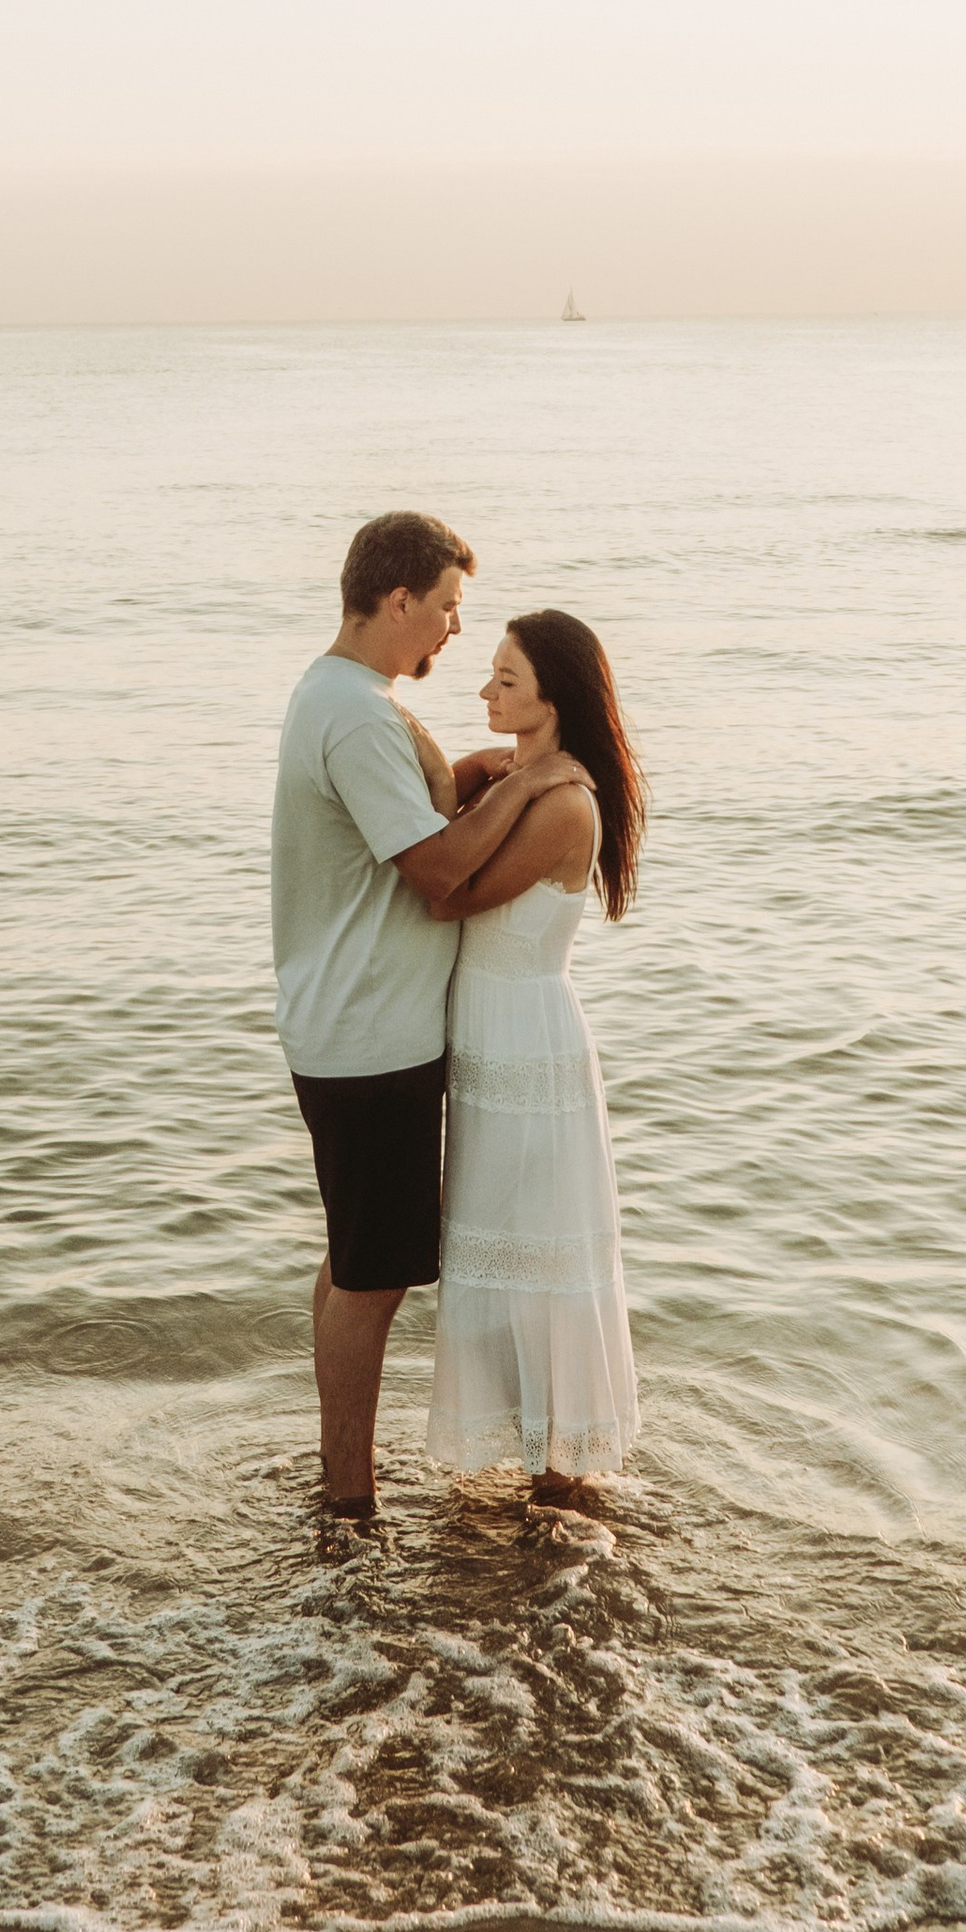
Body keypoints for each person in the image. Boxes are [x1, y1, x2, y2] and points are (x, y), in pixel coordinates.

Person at [272, 513, 588, 1525]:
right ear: (399, 599)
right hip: (371, 1035)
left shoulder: (339, 697)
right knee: (372, 1279)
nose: (454, 632)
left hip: (354, 1025)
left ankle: (339, 1486)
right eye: (448, 608)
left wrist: (463, 779)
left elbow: (394, 826)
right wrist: (528, 779)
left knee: (355, 1258)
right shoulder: (359, 714)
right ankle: (348, 1502)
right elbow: (439, 873)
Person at [425, 611, 646, 1502]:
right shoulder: (530, 781)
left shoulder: (563, 803)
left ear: (555, 697)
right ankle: (534, 1454)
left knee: (537, 1251)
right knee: (492, 1246)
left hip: (525, 1043)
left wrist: (517, 785)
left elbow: (450, 893)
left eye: (506, 680)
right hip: (489, 1037)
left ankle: (560, 1471)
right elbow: (440, 822)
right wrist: (498, 773)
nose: (484, 692)